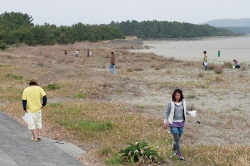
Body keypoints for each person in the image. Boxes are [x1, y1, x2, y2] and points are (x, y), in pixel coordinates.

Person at [163, 89, 197, 160]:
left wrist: (190, 113)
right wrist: (165, 122)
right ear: (174, 95)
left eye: (178, 95)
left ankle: (173, 151)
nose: (177, 96)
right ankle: (179, 154)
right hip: (173, 123)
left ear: (180, 95)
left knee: (177, 139)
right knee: (177, 139)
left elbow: (184, 111)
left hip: (181, 123)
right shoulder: (171, 103)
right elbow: (166, 113)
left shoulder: (183, 102)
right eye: (176, 95)